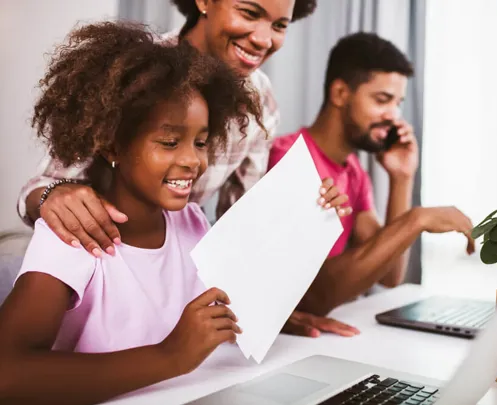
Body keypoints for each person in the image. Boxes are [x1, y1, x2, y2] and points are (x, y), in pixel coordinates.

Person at [15, 0, 357, 339]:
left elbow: (239, 226)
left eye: (280, 25)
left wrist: (302, 217)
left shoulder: (260, 100)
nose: (264, 39)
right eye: (250, 13)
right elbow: (41, 186)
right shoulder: (133, 71)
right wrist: (52, 194)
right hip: (101, 272)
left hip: (174, 281)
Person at [268, 32, 476, 316]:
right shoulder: (287, 159)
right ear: (340, 93)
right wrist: (418, 219)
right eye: (382, 99)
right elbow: (312, 296)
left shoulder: (354, 173)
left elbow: (389, 276)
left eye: (398, 103)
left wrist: (402, 177)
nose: (394, 114)